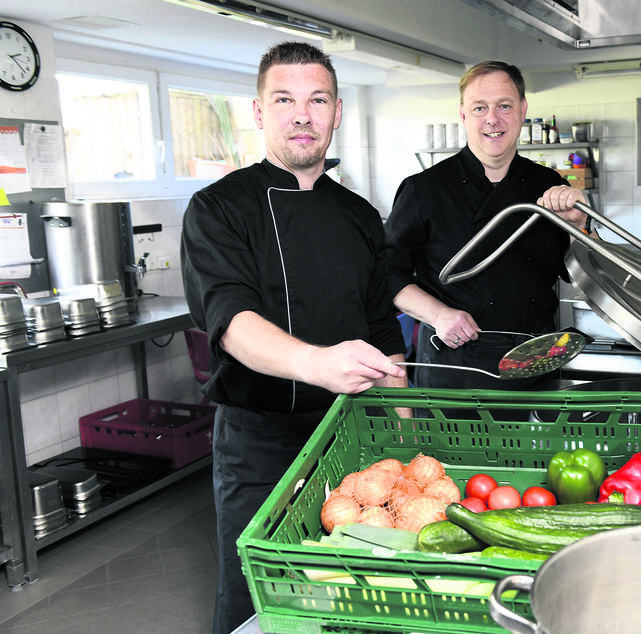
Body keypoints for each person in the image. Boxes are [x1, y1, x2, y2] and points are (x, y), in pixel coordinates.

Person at [180, 42, 409, 634]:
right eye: (284, 99)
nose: (301, 114)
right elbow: (230, 323)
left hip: (350, 434)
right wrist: (317, 363)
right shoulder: (219, 208)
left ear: (336, 112)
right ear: (259, 112)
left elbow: (383, 326)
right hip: (260, 442)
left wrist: (402, 416)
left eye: (317, 99)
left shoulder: (360, 215)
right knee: (257, 587)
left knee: (357, 585)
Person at [384, 60, 592, 392]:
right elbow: (387, 273)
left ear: (522, 110)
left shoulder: (548, 185)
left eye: (504, 106)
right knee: (445, 447)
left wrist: (580, 226)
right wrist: (438, 315)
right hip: (452, 365)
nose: (492, 119)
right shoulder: (424, 189)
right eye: (480, 108)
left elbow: (586, 277)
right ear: (464, 115)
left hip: (534, 362)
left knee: (537, 446)